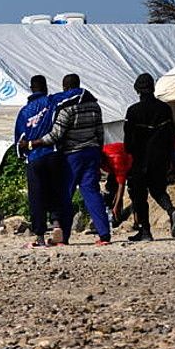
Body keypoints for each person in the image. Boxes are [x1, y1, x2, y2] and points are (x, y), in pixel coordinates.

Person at [28, 73, 111, 245]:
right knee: (91, 192)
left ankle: (63, 237)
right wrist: (99, 151)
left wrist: (34, 143)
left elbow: (56, 135)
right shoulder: (95, 105)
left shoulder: (68, 108)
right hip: (92, 152)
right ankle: (104, 234)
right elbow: (100, 132)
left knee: (65, 194)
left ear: (65, 88)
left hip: (73, 155)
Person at [14, 75, 74, 248]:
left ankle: (40, 236)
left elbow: (19, 142)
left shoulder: (24, 112)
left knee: (36, 197)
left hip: (34, 158)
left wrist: (23, 156)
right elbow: (73, 94)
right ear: (46, 87)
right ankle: (56, 224)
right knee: (56, 191)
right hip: (53, 153)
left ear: (31, 89)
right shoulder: (52, 101)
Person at [124, 73, 175, 241]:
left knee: (139, 195)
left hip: (140, 159)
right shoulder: (165, 109)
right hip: (160, 158)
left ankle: (145, 231)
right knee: (158, 189)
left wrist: (130, 155)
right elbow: (171, 135)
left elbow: (128, 141)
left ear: (137, 90)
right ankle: (171, 210)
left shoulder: (133, 111)